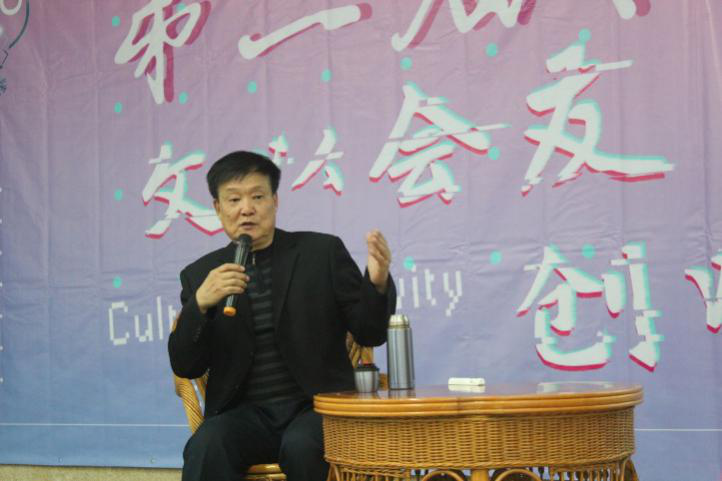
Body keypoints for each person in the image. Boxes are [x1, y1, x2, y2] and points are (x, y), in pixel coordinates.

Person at [168, 151, 396, 481]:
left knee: (302, 446)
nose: (246, 208)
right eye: (234, 199)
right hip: (245, 416)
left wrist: (376, 282)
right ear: (218, 208)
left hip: (317, 408)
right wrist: (200, 305)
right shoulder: (201, 275)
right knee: (207, 445)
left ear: (275, 201)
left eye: (257, 196)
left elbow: (369, 333)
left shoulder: (321, 253)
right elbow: (186, 366)